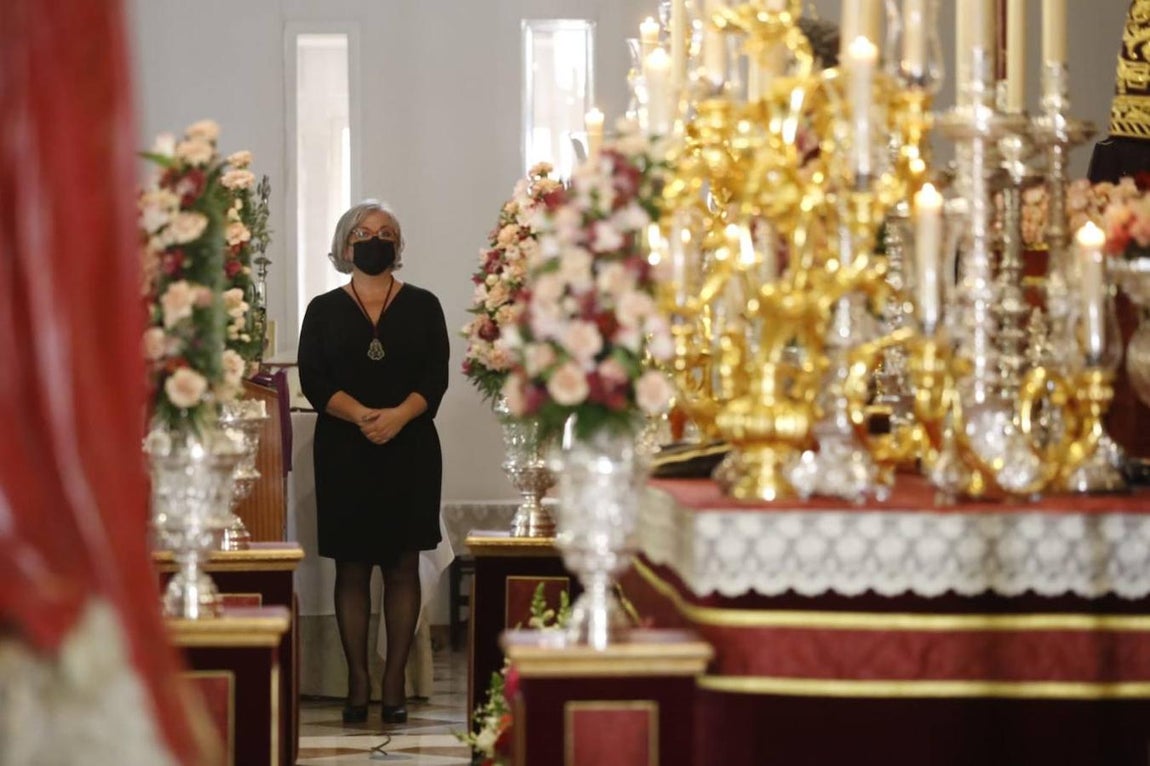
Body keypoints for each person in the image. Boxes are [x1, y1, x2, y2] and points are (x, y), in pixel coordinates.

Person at [298, 200, 449, 725]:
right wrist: (364, 416)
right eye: (364, 232)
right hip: (345, 448)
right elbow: (314, 380)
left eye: (387, 232)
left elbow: (435, 379)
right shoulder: (322, 309)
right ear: (345, 246)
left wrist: (397, 418)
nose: (375, 239)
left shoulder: (425, 305)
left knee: (403, 566)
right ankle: (358, 679)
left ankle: (393, 681)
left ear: (398, 247)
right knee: (353, 567)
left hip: (409, 447)